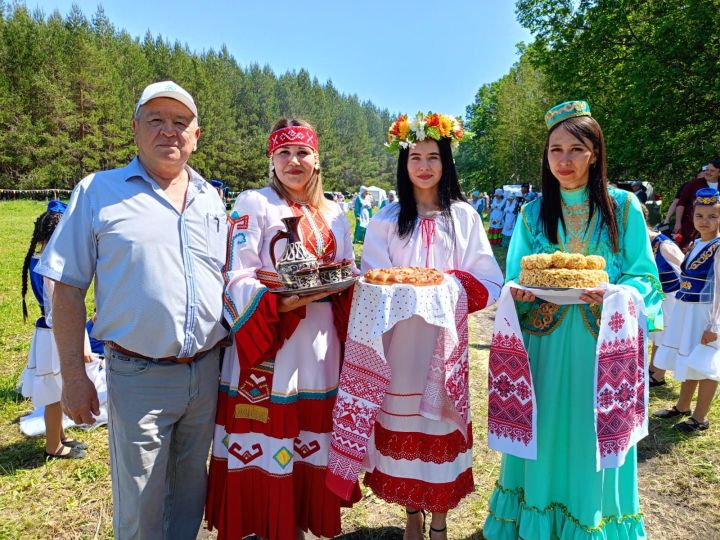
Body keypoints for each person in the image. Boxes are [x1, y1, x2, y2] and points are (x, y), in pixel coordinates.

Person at [35, 81, 228, 540]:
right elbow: (64, 287)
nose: (169, 132)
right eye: (156, 120)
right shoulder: (99, 191)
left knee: (189, 497)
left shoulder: (211, 199)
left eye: (180, 122)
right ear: (135, 129)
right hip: (139, 376)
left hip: (206, 374)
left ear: (196, 135)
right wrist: (74, 377)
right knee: (140, 508)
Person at [483, 101, 663, 539]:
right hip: (544, 344)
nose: (564, 161)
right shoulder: (531, 213)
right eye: (555, 150)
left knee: (590, 439)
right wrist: (519, 294)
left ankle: (591, 521)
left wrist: (617, 294)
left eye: (576, 150)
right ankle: (538, 521)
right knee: (543, 435)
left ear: (595, 153)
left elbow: (645, 276)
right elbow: (515, 276)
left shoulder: (624, 208)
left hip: (601, 346)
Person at [330, 112, 503, 539]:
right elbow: (371, 277)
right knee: (405, 423)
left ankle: (440, 519)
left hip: (443, 344)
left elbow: (489, 281)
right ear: (403, 165)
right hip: (399, 344)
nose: (424, 166)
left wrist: (443, 285)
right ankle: (412, 513)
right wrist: (402, 289)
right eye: (415, 158)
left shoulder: (463, 217)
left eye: (432, 157)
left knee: (439, 425)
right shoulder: (388, 217)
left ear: (446, 163)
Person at [205, 118, 359, 540]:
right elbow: (236, 273)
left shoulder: (335, 212)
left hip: (320, 343)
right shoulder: (254, 203)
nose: (294, 161)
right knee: (269, 438)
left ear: (317, 159)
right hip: (270, 338)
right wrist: (277, 302)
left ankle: (298, 521)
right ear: (271, 160)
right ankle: (262, 522)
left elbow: (345, 269)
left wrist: (348, 282)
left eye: (303, 153)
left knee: (309, 439)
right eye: (284, 153)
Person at [20, 200, 88, 459]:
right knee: (52, 394)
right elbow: (58, 310)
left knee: (56, 391)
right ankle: (53, 446)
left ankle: (60, 437)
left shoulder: (36, 258)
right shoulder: (51, 266)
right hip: (53, 334)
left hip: (46, 332)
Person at [653, 188, 720, 431]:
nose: (705, 221)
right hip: (688, 310)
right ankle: (682, 406)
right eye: (700, 215)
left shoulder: (718, 246)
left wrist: (714, 326)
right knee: (689, 358)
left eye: (713, 216)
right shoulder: (697, 243)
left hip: (706, 314)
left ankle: (700, 417)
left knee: (706, 365)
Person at [642, 204, 684, 387]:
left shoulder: (664, 244)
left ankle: (658, 375)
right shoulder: (641, 243)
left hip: (672, 295)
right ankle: (652, 369)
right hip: (657, 296)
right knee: (657, 334)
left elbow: (686, 268)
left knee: (665, 334)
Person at [674, 160, 720, 249]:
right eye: (707, 170)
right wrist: (678, 222)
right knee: (687, 249)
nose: (708, 173)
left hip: (716, 225)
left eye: (712, 171)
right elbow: (681, 203)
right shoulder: (694, 184)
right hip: (692, 225)